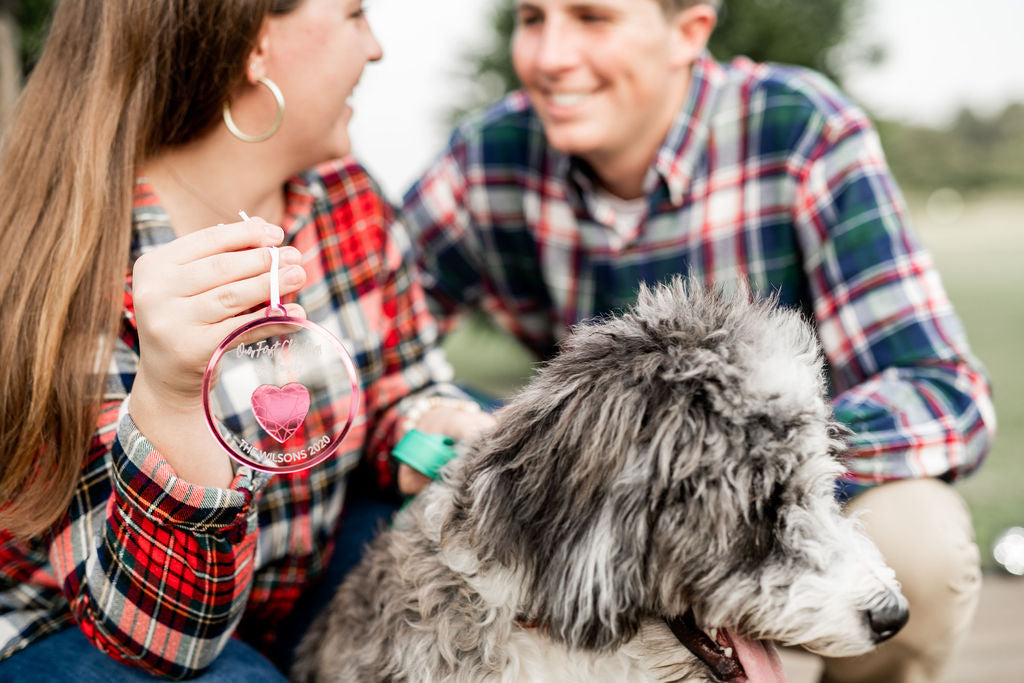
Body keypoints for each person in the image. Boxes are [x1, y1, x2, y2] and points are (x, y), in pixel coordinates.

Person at [401, 1, 996, 681]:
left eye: (592, 18)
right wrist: (427, 415)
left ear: (691, 32)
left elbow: (942, 387)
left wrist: (752, 465)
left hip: (804, 498)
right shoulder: (489, 153)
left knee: (924, 547)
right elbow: (375, 329)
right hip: (608, 517)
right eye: (532, 18)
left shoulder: (802, 130)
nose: (549, 56)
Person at [0, 0, 491, 680]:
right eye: (353, 15)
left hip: (283, 589)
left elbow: (393, 387)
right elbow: (161, 639)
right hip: (87, 625)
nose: (375, 48)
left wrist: (428, 429)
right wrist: (172, 395)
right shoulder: (77, 261)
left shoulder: (346, 198)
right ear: (256, 45)